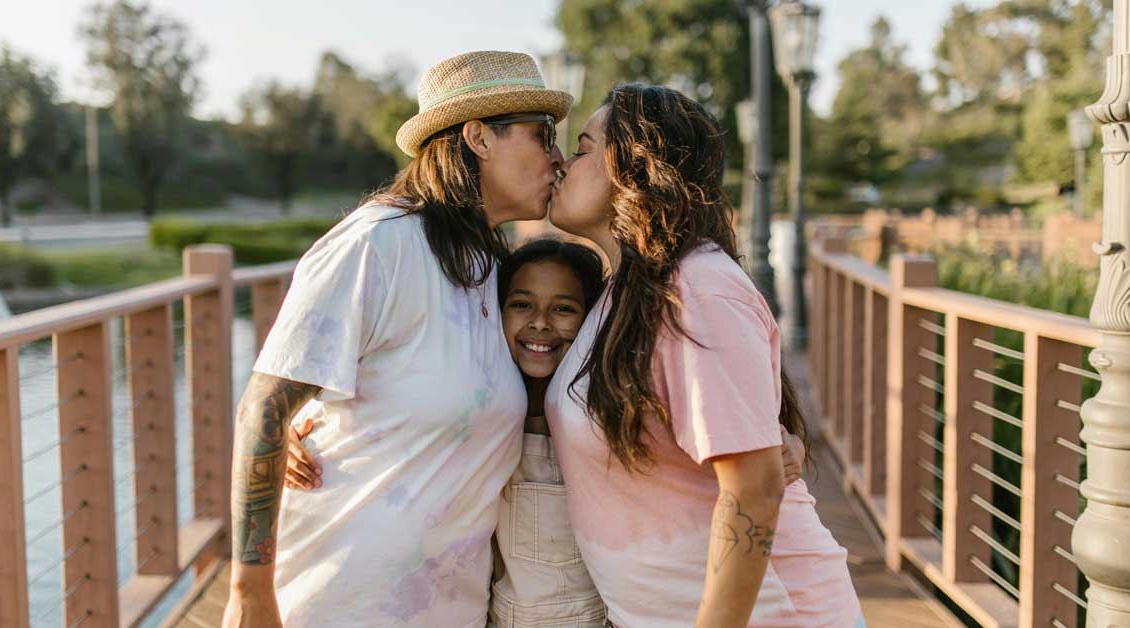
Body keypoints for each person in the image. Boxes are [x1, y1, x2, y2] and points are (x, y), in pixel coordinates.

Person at [284, 238, 807, 627]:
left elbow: (717, 437)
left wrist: (789, 446)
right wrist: (300, 423)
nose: (540, 324)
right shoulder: (479, 403)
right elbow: (397, 413)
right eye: (521, 305)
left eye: (564, 310)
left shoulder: (613, 409)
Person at [220, 50, 572, 628]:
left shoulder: (487, 266)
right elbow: (263, 406)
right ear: (479, 138)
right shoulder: (377, 245)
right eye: (543, 137)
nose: (558, 158)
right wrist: (249, 594)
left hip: (447, 609)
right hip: (337, 602)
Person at [543, 84, 863, 628]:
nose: (560, 166)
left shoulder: (698, 290)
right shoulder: (624, 291)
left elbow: (755, 488)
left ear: (634, 166)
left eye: (580, 149)